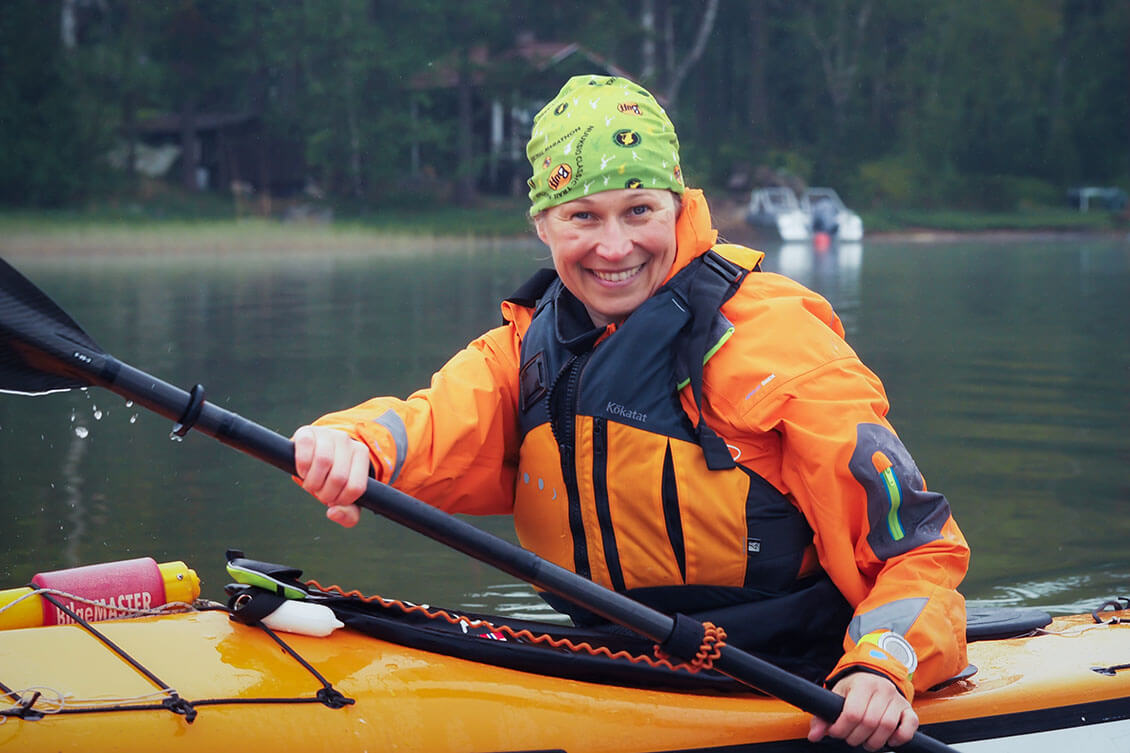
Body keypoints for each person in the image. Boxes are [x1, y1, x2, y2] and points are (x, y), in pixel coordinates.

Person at [293, 75, 969, 751]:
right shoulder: (525, 349)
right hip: (610, 663)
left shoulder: (781, 343)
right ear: (543, 224)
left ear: (678, 206)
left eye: (639, 210)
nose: (614, 248)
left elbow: (920, 552)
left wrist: (884, 664)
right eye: (582, 217)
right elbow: (428, 424)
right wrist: (351, 442)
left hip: (796, 679)